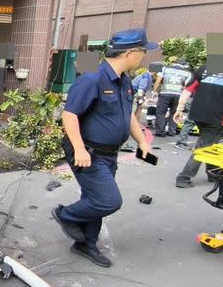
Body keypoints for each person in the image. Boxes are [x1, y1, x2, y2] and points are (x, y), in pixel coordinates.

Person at [51, 29, 157, 267]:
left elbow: (127, 115)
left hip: (109, 154)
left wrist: (142, 142)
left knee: (95, 197)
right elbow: (69, 115)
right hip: (88, 152)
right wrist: (79, 149)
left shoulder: (125, 81)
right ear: (130, 53)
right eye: (142, 52)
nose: (143, 57)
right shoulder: (92, 79)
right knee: (109, 200)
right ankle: (64, 214)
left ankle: (86, 244)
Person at [173, 64, 223, 188]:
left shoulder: (204, 69)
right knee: (203, 146)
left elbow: (188, 90)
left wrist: (180, 108)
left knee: (211, 144)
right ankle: (184, 177)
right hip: (218, 116)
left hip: (198, 114)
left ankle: (212, 173)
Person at [153, 58, 192, 136]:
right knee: (174, 112)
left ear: (174, 63)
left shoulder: (164, 69)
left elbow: (157, 81)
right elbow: (187, 87)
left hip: (165, 93)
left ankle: (160, 131)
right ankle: (172, 131)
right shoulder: (187, 73)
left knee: (161, 112)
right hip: (179, 95)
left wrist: (155, 92)